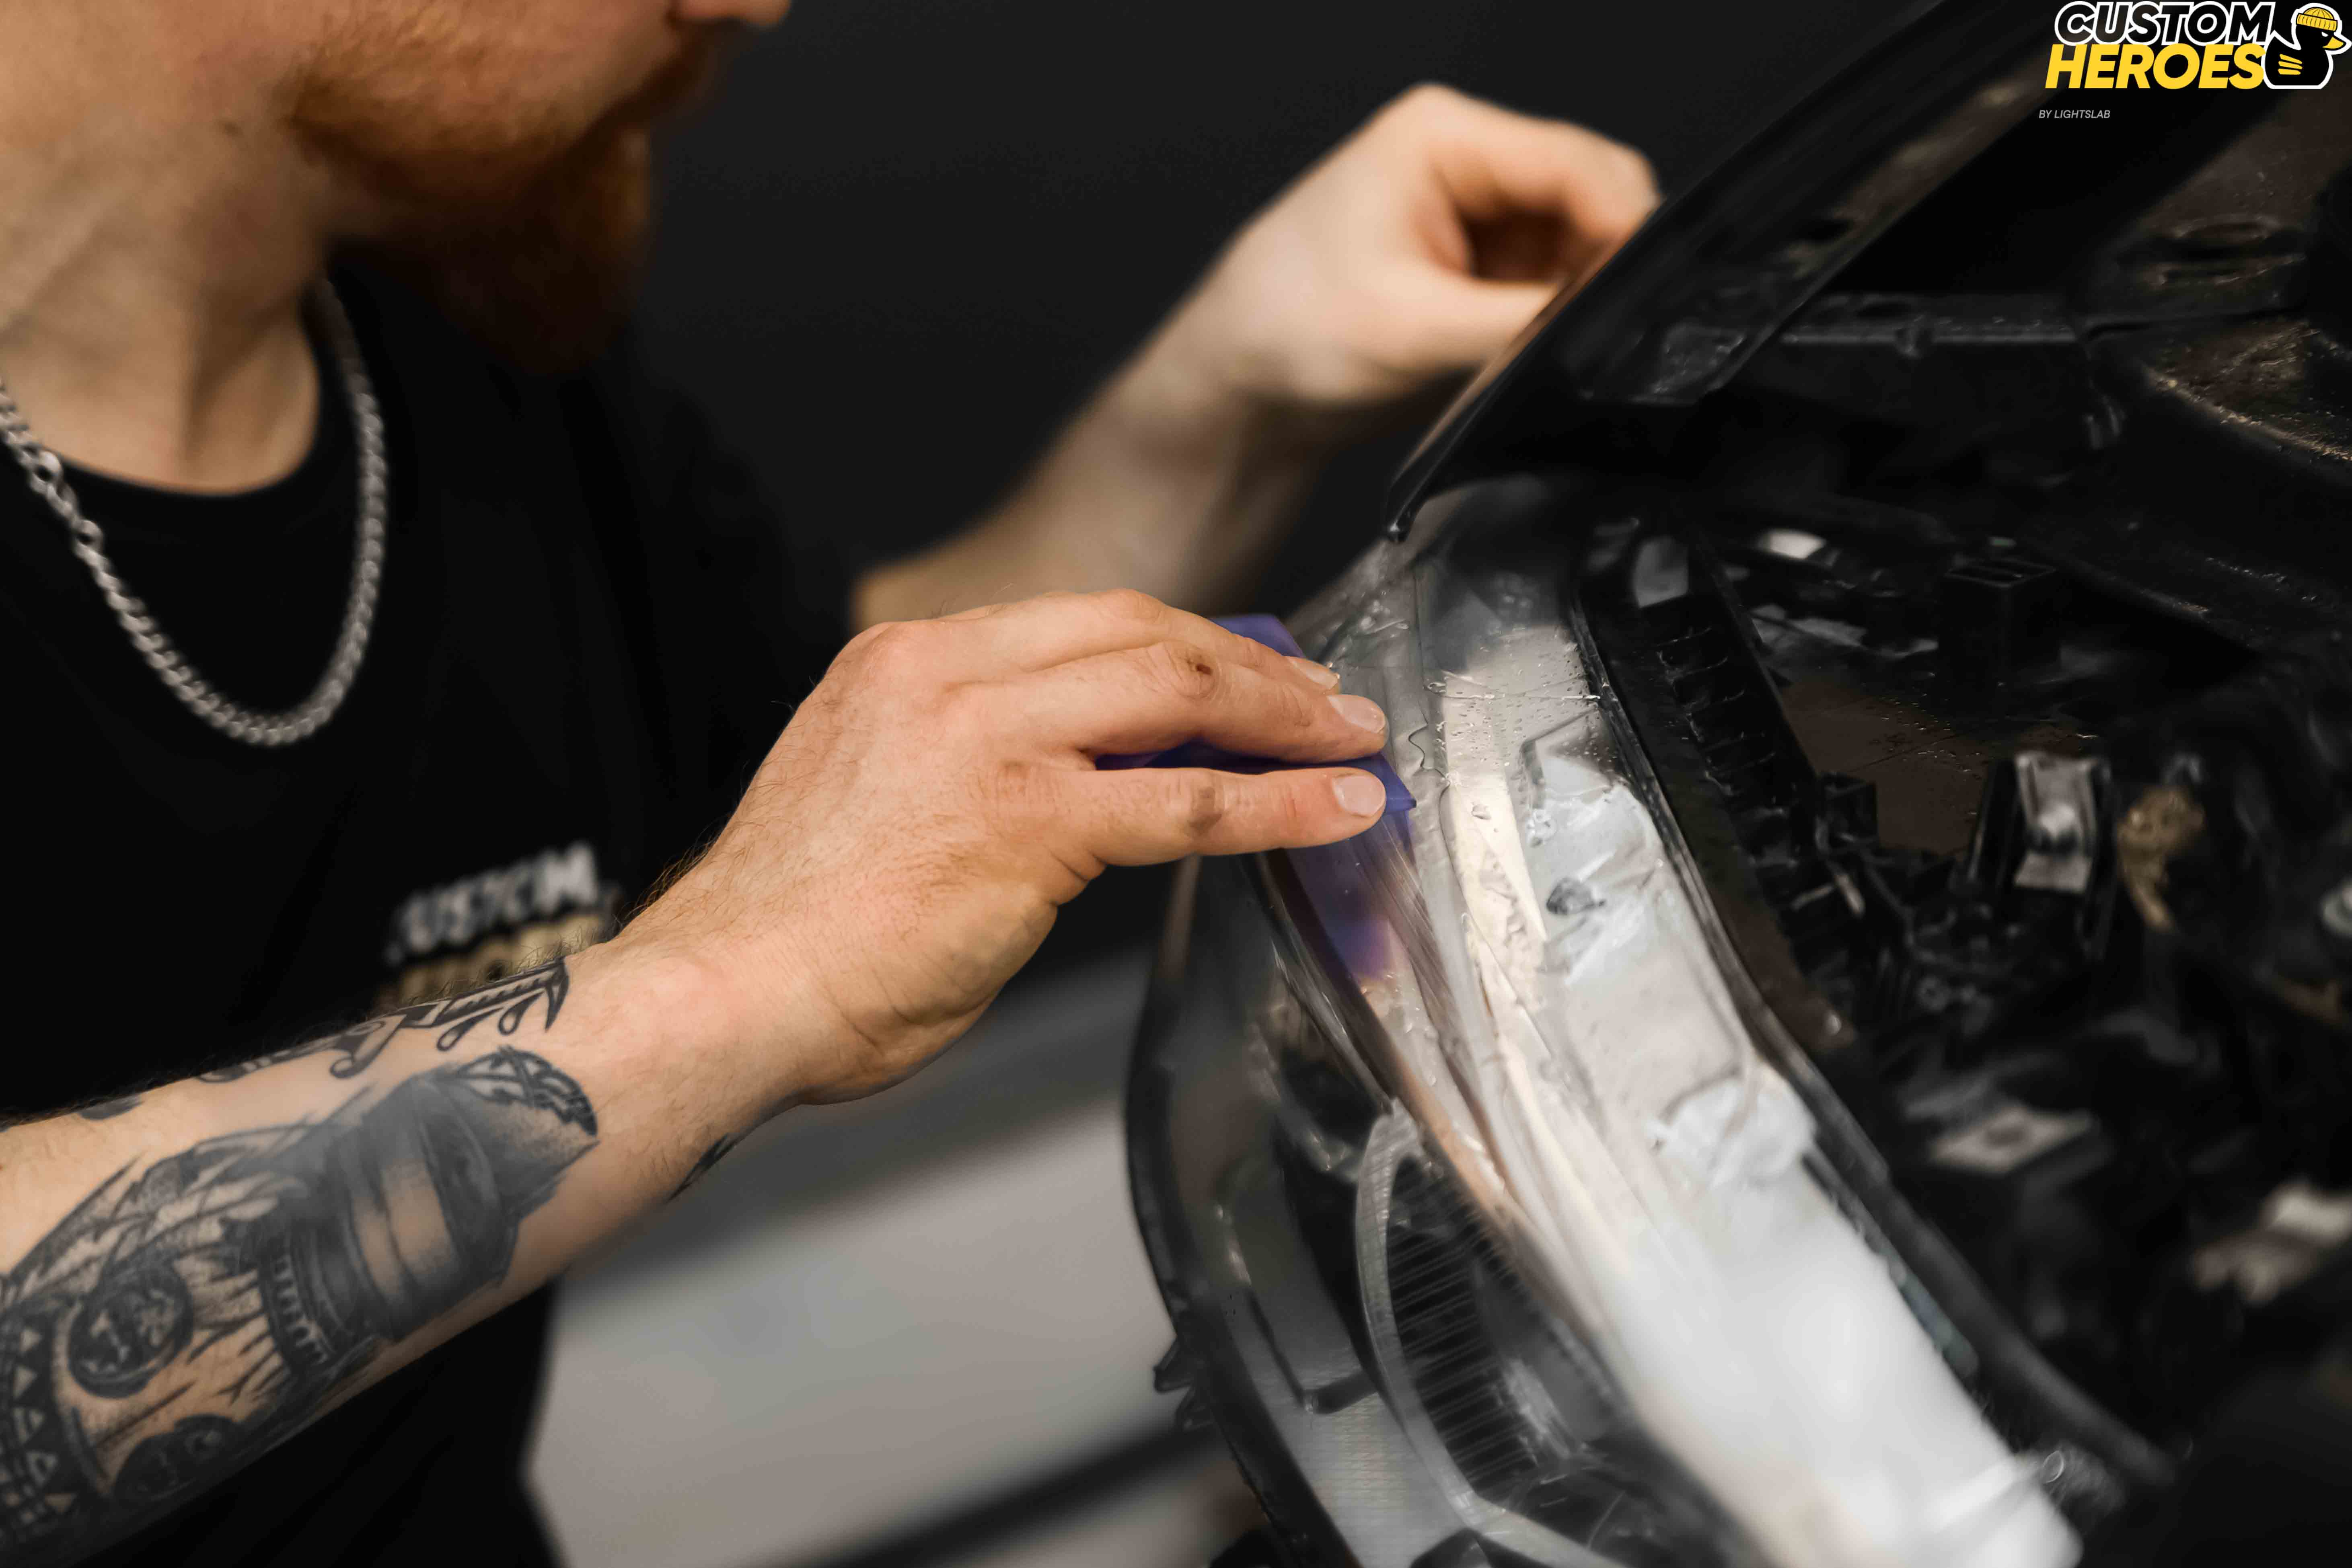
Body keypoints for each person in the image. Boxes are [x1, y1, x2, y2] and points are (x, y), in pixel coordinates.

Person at [0, 0, 1655, 1563]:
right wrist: (731, 986)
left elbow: (815, 787)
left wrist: (1226, 397)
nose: (754, 7)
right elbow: (773, 917)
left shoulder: (456, 317)